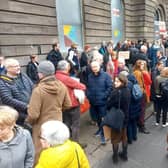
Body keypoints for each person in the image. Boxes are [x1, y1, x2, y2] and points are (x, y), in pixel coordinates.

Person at [26, 60, 71, 164]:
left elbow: (33, 114)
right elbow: (68, 105)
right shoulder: (62, 86)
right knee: (57, 147)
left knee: (40, 152)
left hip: (42, 126)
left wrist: (28, 121)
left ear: (41, 74)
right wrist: (57, 110)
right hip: (58, 122)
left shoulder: (38, 90)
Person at [55, 60, 86, 146]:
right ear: (66, 68)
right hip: (72, 104)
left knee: (66, 123)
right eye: (68, 66)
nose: (69, 67)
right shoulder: (66, 78)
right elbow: (82, 86)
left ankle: (66, 141)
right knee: (75, 124)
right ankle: (75, 143)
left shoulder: (55, 76)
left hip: (61, 104)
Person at [104, 73, 131, 163]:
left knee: (115, 139)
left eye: (117, 81)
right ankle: (125, 154)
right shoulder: (127, 90)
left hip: (117, 119)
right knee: (124, 137)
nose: (114, 83)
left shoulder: (115, 93)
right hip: (125, 117)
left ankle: (115, 157)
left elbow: (108, 105)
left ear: (122, 82)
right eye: (115, 81)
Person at [0, 58, 34, 126]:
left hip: (31, 110)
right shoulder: (2, 81)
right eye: (15, 66)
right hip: (18, 115)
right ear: (8, 68)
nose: (18, 67)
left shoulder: (23, 76)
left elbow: (33, 87)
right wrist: (26, 106)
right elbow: (8, 99)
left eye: (18, 65)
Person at [86, 60, 112, 145]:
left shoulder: (106, 76)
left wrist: (104, 96)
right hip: (93, 102)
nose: (94, 69)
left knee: (103, 118)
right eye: (92, 67)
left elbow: (110, 87)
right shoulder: (90, 76)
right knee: (96, 118)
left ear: (99, 66)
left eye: (96, 67)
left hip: (102, 102)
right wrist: (88, 95)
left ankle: (104, 135)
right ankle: (100, 130)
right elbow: (88, 87)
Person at [133, 60, 151, 134]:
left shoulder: (134, 72)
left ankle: (138, 124)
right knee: (142, 110)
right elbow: (149, 82)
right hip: (141, 92)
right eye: (142, 64)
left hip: (136, 93)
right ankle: (141, 126)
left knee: (138, 109)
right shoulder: (141, 72)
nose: (143, 66)